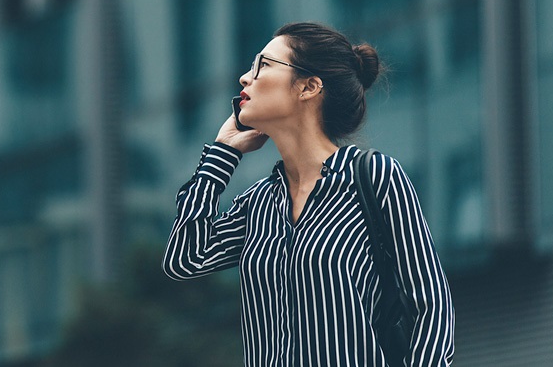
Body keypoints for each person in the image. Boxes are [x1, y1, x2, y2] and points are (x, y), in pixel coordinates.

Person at [163, 22, 455, 366]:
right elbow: (185, 259)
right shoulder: (259, 203)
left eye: (264, 66)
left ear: (309, 87)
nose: (245, 78)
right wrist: (223, 153)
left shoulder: (373, 178)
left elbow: (432, 305)